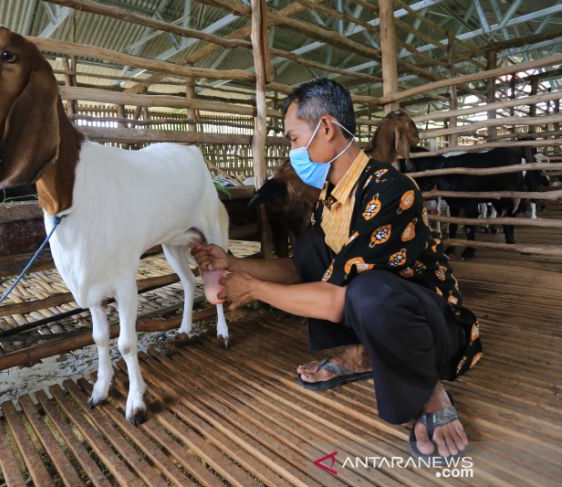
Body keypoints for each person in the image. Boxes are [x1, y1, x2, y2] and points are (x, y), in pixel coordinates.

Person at [192, 79, 482, 460]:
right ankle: (359, 352)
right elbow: (301, 269)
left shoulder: (391, 189)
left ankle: (426, 388)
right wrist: (234, 264)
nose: (293, 151)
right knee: (313, 246)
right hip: (380, 317)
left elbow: (335, 301)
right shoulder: (330, 197)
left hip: (432, 329)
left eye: (294, 139)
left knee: (369, 290)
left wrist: (253, 289)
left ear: (326, 129)